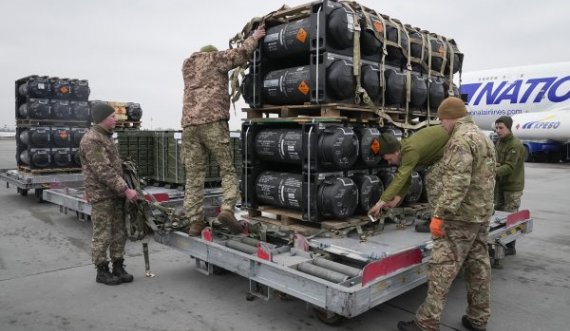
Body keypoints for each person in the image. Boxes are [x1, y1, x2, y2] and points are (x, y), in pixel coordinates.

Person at [397, 97, 496, 331]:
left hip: (459, 217)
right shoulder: (483, 137)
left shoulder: (460, 140)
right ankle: (478, 318)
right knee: (478, 267)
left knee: (442, 269)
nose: (442, 125)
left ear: (450, 117)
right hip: (480, 214)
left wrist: (440, 214)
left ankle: (426, 323)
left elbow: (457, 181)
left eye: (442, 120)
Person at [181, 24, 266, 236]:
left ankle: (195, 222)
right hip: (213, 122)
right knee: (227, 169)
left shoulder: (187, 66)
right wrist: (254, 37)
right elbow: (239, 55)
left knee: (193, 175)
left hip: (189, 126)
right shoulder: (214, 59)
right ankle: (227, 209)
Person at [80, 103, 138, 285]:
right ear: (102, 118)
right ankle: (102, 270)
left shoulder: (105, 137)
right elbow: (102, 170)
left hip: (114, 194)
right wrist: (126, 189)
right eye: (112, 116)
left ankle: (118, 266)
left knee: (119, 233)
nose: (116, 119)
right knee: (103, 234)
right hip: (103, 195)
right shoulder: (92, 140)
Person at [368, 125, 449, 222]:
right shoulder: (403, 150)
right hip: (446, 149)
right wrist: (396, 200)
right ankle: (440, 219)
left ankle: (441, 221)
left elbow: (400, 178)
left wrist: (380, 203)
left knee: (433, 180)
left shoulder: (409, 151)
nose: (389, 163)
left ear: (395, 152)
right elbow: (406, 180)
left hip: (455, 143)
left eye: (389, 159)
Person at [494, 116, 525, 255]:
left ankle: (510, 246)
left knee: (510, 217)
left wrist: (490, 172)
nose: (498, 131)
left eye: (501, 128)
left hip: (512, 187)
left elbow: (509, 167)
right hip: (500, 185)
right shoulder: (500, 142)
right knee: (499, 216)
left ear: (508, 128)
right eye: (497, 128)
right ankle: (500, 243)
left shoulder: (515, 144)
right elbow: (498, 161)